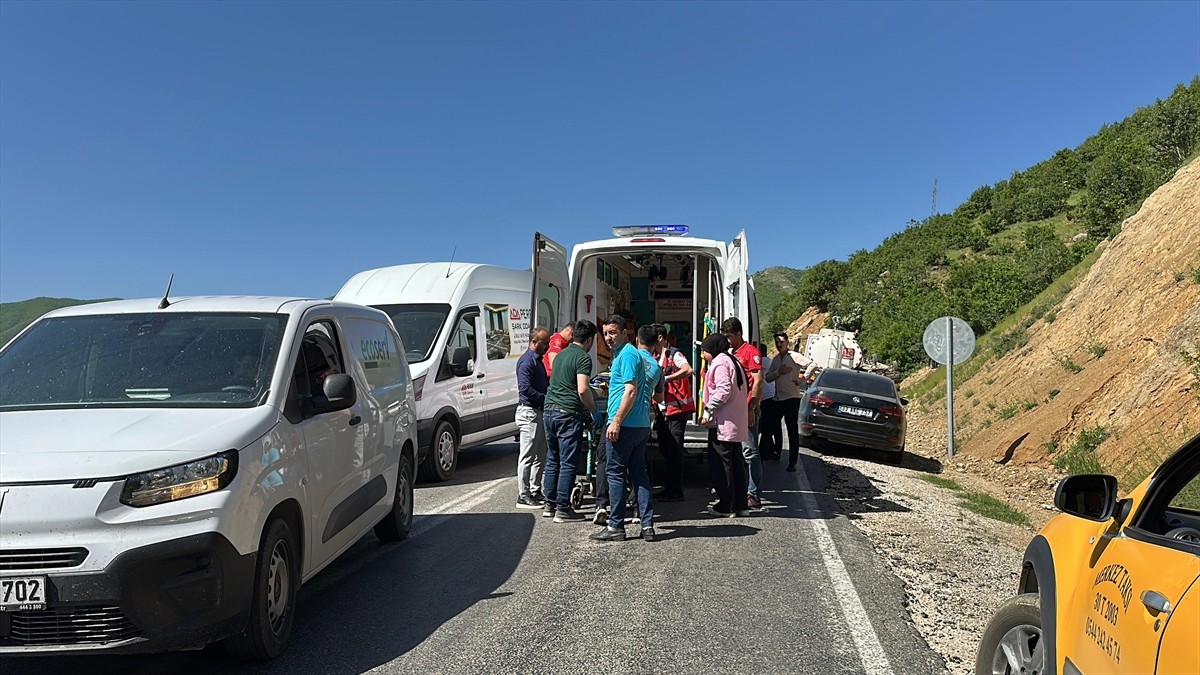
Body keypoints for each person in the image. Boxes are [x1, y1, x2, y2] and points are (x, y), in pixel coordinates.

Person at [591, 318, 658, 542]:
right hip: (639, 424)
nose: (608, 338)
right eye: (605, 333)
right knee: (638, 474)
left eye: (613, 333)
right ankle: (647, 525)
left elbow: (630, 390)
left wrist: (616, 420)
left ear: (625, 333)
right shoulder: (627, 355)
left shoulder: (628, 355)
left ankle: (615, 526)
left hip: (626, 425)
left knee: (616, 474)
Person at [542, 320, 597, 523]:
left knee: (552, 459)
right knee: (567, 462)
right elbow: (583, 389)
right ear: (589, 339)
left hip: (549, 410)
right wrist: (593, 410)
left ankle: (550, 504)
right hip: (567, 413)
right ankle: (563, 509)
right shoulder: (583, 358)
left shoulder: (560, 354)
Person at [698, 333, 749, 517]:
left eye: (704, 351)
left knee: (721, 464)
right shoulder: (731, 359)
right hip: (734, 421)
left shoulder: (720, 362)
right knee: (735, 464)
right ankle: (741, 505)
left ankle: (727, 505)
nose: (703, 355)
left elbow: (723, 389)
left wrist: (708, 409)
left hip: (724, 423)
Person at [721, 317, 764, 510]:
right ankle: (742, 491)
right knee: (738, 453)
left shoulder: (750, 352)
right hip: (736, 410)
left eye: (730, 336)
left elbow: (758, 381)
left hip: (747, 409)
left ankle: (753, 494)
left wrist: (752, 407)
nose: (727, 340)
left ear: (739, 334)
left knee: (751, 453)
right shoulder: (732, 353)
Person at [652, 324, 694, 501]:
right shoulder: (654, 356)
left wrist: (666, 378)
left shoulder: (674, 354)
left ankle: (675, 490)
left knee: (675, 450)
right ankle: (669, 486)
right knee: (665, 449)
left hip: (677, 409)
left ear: (660, 338)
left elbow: (688, 370)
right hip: (662, 410)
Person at [515, 328, 550, 509]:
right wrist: (547, 398)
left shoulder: (537, 361)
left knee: (540, 455)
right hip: (529, 412)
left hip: (538, 412)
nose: (548, 347)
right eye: (545, 343)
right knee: (527, 455)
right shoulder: (527, 362)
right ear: (534, 342)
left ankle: (535, 491)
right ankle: (523, 495)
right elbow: (525, 389)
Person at [765, 333, 808, 472]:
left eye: (781, 342)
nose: (779, 345)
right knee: (769, 428)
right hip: (778, 399)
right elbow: (768, 378)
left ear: (787, 342)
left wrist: (803, 380)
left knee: (792, 431)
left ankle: (792, 462)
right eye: (777, 342)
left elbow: (812, 364)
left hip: (791, 399)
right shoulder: (776, 359)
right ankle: (766, 454)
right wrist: (779, 371)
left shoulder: (794, 356)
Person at [757, 342, 781, 460]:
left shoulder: (762, 361)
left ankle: (765, 452)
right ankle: (773, 450)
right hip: (771, 396)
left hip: (765, 398)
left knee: (765, 426)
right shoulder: (770, 362)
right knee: (770, 426)